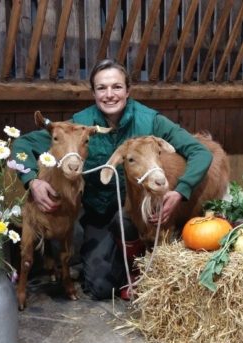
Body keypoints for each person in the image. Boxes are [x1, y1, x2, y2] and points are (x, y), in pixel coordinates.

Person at [12, 59, 213, 300]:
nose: (109, 95)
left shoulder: (151, 122)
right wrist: (32, 181)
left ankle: (138, 262)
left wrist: (181, 191)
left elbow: (200, 152)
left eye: (116, 87)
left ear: (128, 90)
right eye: (101, 88)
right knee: (99, 288)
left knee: (128, 224)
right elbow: (23, 143)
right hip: (98, 214)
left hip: (136, 212)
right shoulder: (79, 124)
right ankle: (127, 265)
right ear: (94, 93)